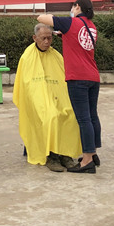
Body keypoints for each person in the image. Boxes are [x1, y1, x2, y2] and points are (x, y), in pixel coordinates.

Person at [37, 0, 101, 174]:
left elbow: (41, 18)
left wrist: (61, 23)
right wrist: (63, 33)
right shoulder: (92, 27)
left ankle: (87, 160)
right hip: (93, 76)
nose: (71, 10)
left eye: (73, 7)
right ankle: (93, 153)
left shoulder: (70, 23)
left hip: (78, 78)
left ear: (77, 6)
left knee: (83, 119)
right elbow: (79, 42)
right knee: (92, 116)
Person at [12, 24, 81, 172]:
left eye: (49, 38)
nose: (47, 42)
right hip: (36, 100)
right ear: (34, 38)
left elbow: (64, 79)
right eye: (43, 38)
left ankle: (65, 154)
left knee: (71, 114)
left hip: (57, 96)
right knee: (51, 116)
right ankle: (51, 155)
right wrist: (41, 99)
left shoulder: (56, 56)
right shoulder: (27, 57)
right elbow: (26, 86)